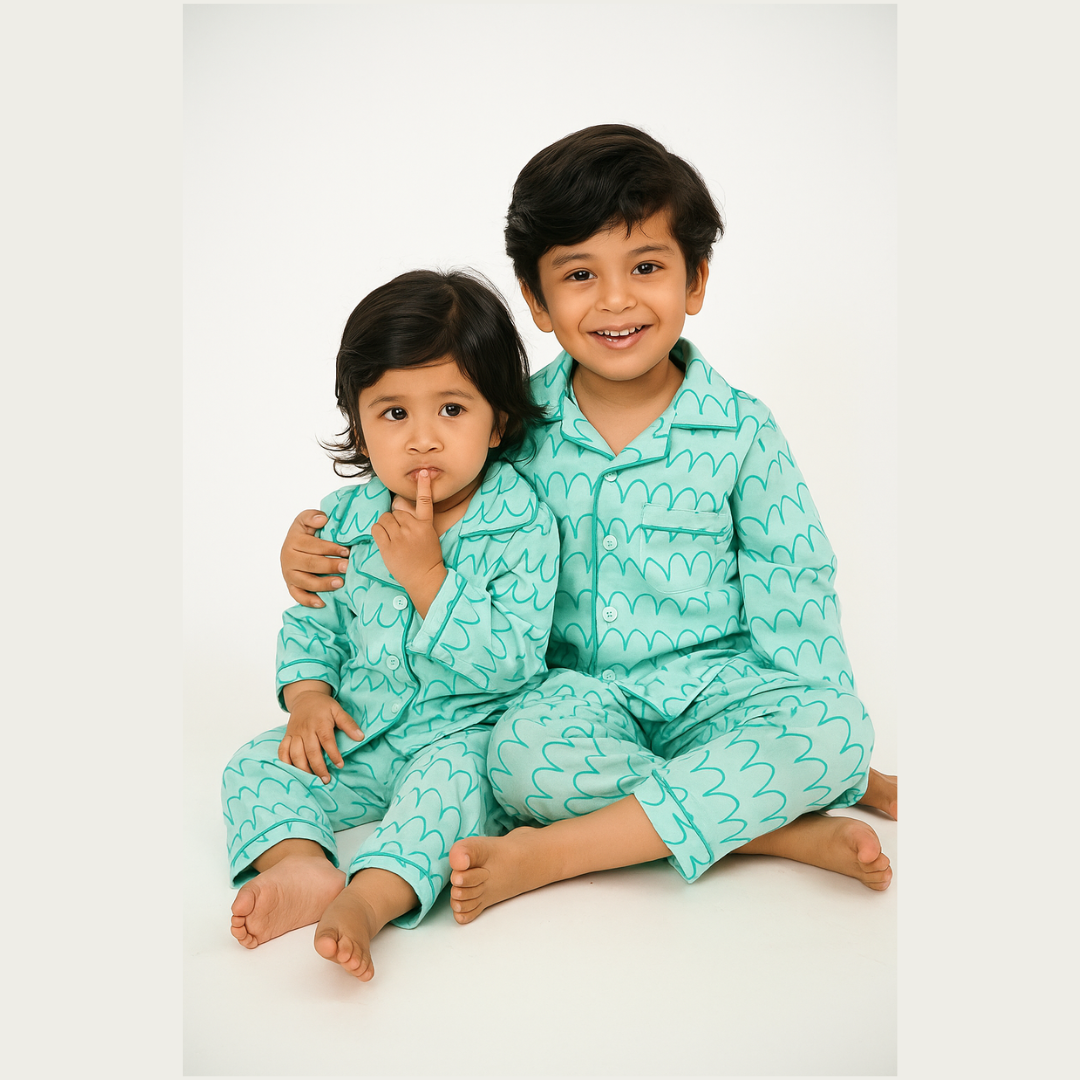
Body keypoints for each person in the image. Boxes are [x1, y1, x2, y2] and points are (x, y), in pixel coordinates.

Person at [279, 126, 897, 922]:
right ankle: (771, 831)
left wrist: (828, 739)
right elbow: (412, 513)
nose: (615, 300)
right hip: (567, 706)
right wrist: (310, 545)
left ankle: (552, 852)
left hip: (721, 692)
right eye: (579, 274)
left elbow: (796, 587)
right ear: (537, 300)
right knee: (514, 760)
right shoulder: (505, 423)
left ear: (695, 278)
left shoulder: (741, 432)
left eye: (646, 267)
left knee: (836, 726)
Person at [221, 269, 559, 979]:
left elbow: (517, 661)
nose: (422, 440)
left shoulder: (521, 522)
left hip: (464, 735)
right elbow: (315, 621)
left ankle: (370, 900)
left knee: (451, 796)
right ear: (360, 423)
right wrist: (309, 699)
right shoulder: (345, 518)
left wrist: (430, 580)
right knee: (254, 764)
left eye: (452, 410)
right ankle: (302, 868)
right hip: (362, 731)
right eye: (394, 414)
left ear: (497, 420)